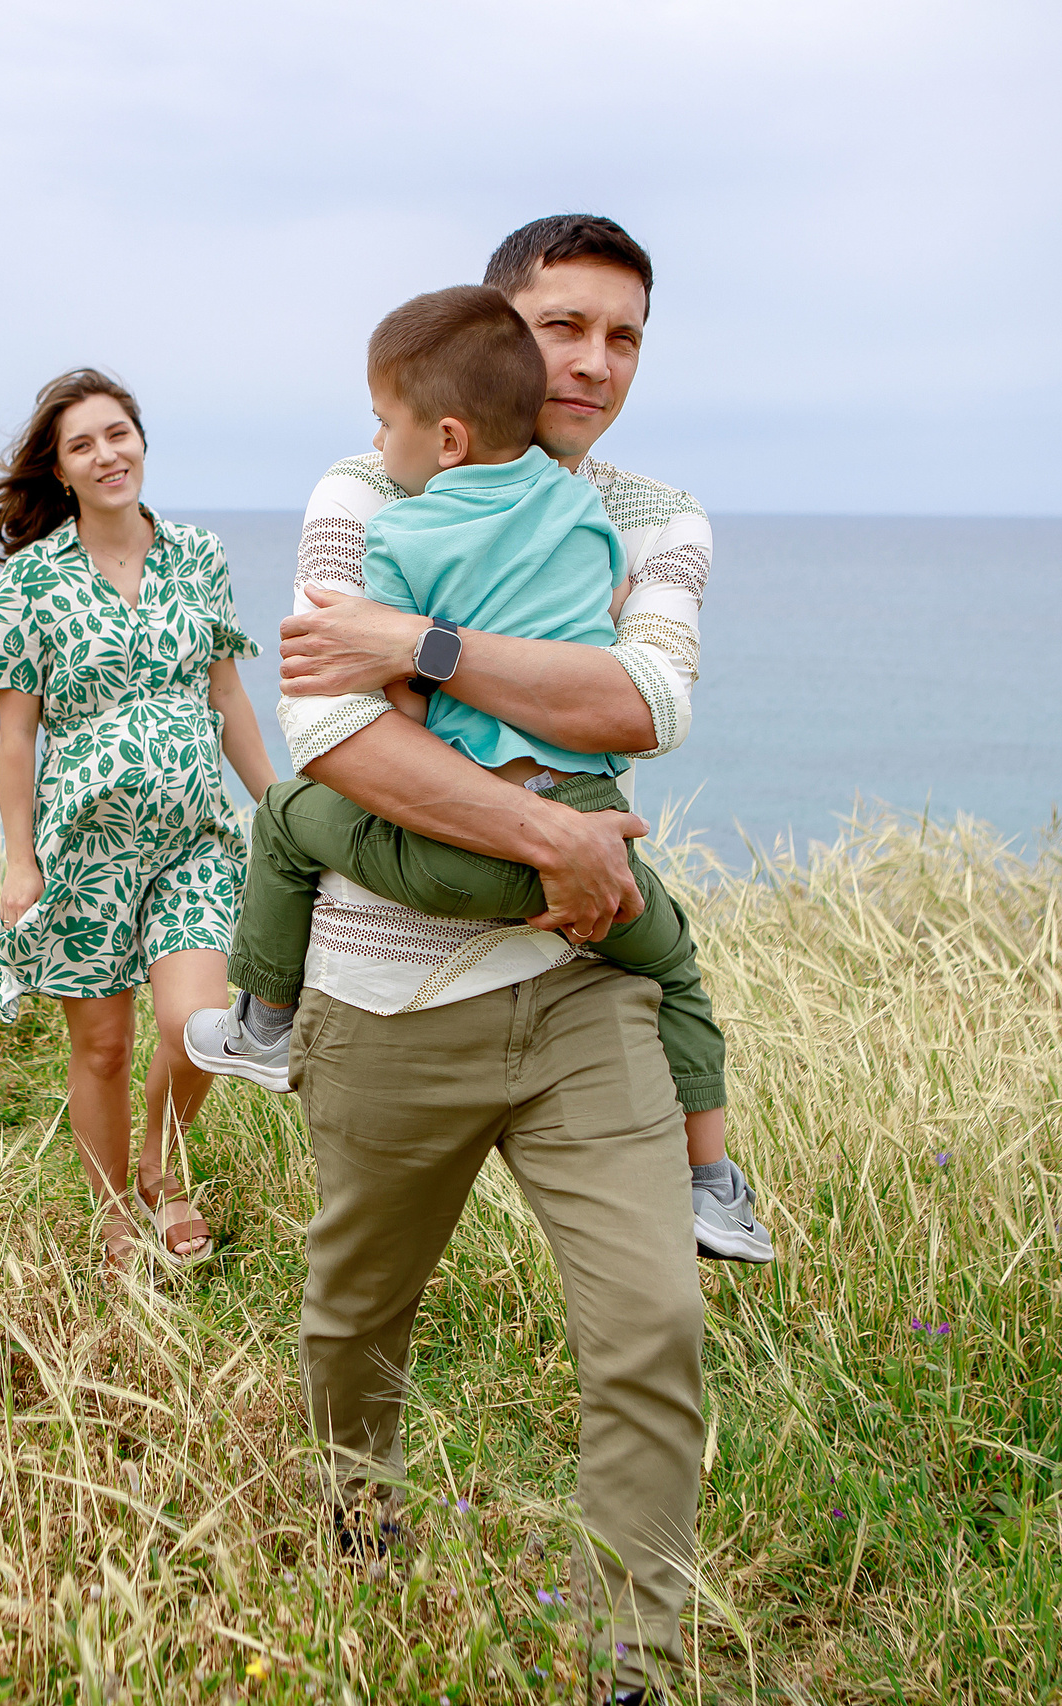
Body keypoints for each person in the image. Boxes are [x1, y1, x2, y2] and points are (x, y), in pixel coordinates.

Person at [260, 216, 716, 1701]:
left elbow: (642, 703)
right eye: (562, 325)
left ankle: (631, 1666)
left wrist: (426, 646)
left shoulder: (660, 516)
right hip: (387, 996)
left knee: (651, 1325)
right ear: (496, 336)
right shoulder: (369, 478)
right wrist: (556, 836)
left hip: (583, 995)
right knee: (354, 1317)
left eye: (624, 334)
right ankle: (355, 1532)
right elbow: (331, 732)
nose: (591, 361)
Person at [183, 284, 771, 1265]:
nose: (377, 446)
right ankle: (713, 1184)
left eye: (386, 424)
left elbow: (375, 710)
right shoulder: (588, 513)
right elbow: (619, 654)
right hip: (589, 825)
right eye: (564, 331)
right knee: (674, 968)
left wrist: (415, 666)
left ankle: (264, 1020)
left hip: (459, 845)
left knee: (285, 814)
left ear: (446, 438)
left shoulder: (401, 533)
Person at [0, 368, 279, 1276]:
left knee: (201, 1023)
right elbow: (15, 736)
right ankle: (111, 1212)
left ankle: (161, 1170)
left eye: (118, 433)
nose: (107, 454)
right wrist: (20, 863)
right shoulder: (31, 582)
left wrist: (279, 806)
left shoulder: (198, 557)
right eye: (83, 444)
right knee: (102, 1046)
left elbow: (228, 695)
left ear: (142, 440)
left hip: (193, 841)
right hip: (84, 847)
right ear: (60, 471)